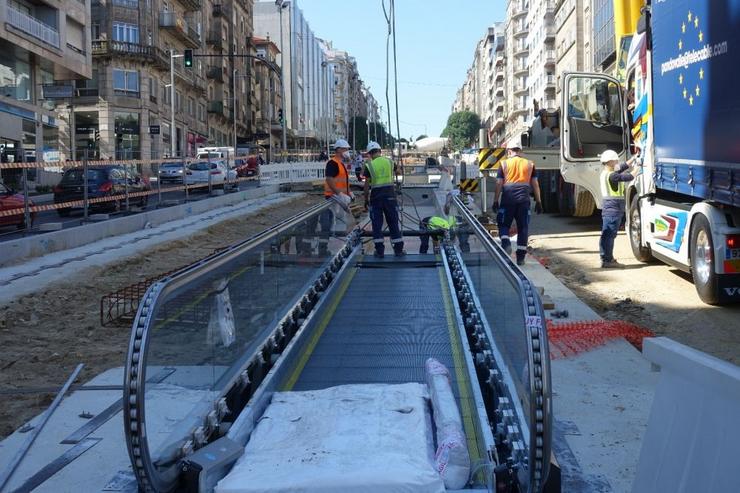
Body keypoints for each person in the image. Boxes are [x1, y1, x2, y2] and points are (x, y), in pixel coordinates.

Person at [493, 137, 543, 266]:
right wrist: (538, 201)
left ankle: (506, 243)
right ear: (520, 150)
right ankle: (520, 258)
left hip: (508, 197)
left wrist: (495, 200)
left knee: (503, 224)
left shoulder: (504, 164)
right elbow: (535, 184)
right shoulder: (530, 164)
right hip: (523, 199)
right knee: (523, 227)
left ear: (509, 151)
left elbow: (499, 183)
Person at [363, 141, 405, 258]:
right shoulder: (390, 162)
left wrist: (366, 199)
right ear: (380, 151)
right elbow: (399, 172)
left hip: (376, 198)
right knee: (393, 222)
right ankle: (398, 250)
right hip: (390, 197)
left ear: (370, 154)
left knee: (377, 225)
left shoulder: (369, 165)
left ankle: (380, 251)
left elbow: (366, 186)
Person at [599, 148, 639, 268]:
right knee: (610, 235)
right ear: (610, 162)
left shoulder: (606, 172)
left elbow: (621, 167)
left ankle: (605, 258)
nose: (617, 162)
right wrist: (640, 166)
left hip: (609, 208)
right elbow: (630, 177)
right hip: (613, 209)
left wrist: (632, 159)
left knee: (606, 234)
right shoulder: (612, 176)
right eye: (615, 160)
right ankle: (607, 260)